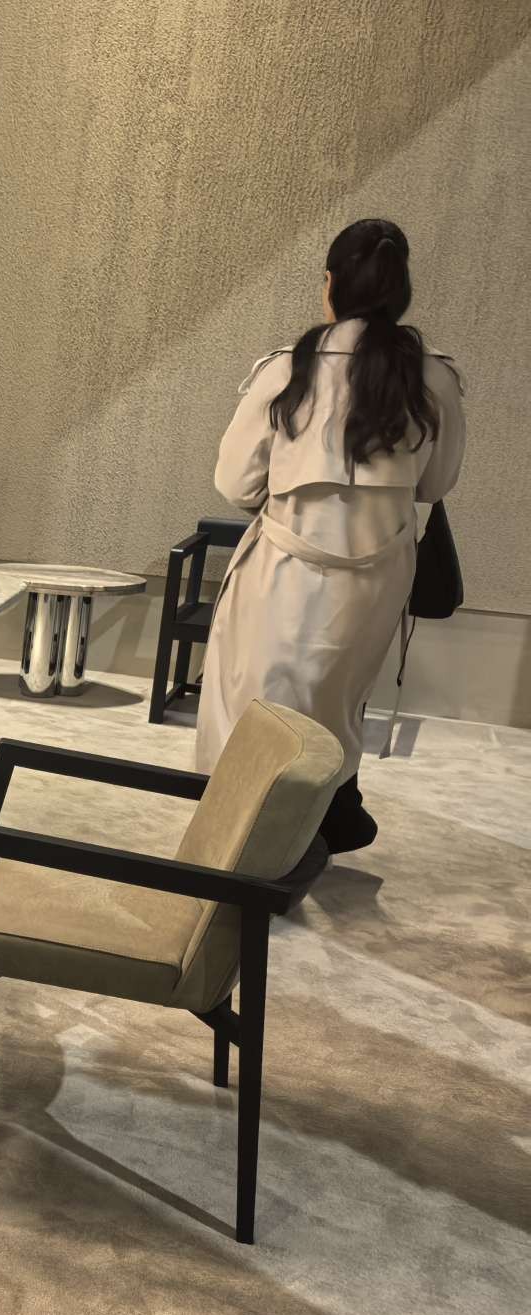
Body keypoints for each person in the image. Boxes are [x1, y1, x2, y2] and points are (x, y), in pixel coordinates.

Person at [202, 217, 465, 852]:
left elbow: (234, 483)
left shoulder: (288, 370)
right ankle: (327, 810)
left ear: (330, 283)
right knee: (340, 699)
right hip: (377, 575)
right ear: (400, 289)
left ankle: (245, 837)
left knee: (254, 705)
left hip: (284, 567)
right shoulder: (433, 378)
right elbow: (435, 484)